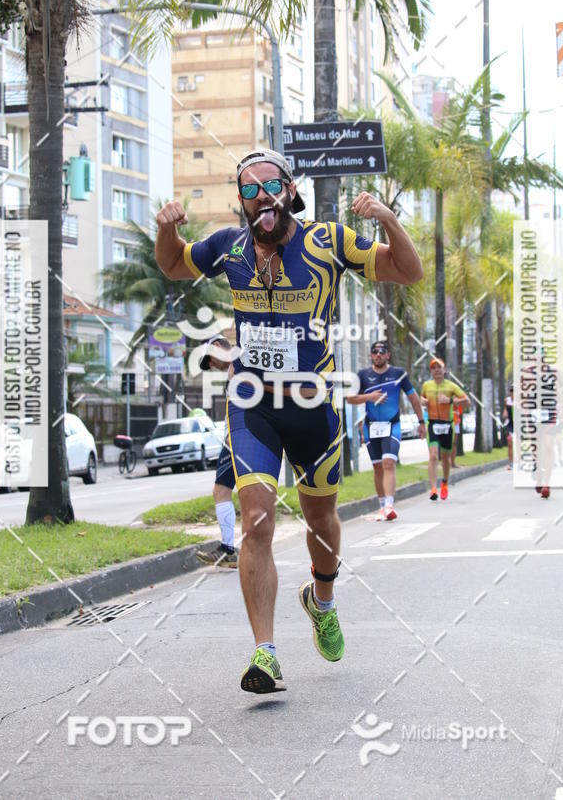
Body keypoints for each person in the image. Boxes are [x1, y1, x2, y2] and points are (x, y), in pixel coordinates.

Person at [155, 148, 423, 693]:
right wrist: (166, 230)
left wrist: (389, 221)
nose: (261, 198)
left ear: (289, 189)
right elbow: (173, 262)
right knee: (256, 519)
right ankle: (265, 654)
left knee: (321, 523)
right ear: (242, 202)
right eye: (249, 190)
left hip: (314, 407)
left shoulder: (327, 241)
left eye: (270, 186)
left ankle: (321, 599)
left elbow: (407, 270)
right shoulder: (229, 248)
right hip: (252, 404)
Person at [347, 341, 426, 521]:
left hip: (392, 425)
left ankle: (390, 505)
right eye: (375, 352)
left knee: (388, 463)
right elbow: (350, 398)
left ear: (388, 355)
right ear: (370, 355)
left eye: (382, 352)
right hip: (371, 427)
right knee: (377, 466)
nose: (378, 355)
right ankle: (382, 505)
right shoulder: (363, 375)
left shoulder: (398, 374)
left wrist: (422, 422)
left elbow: (413, 398)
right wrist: (369, 397)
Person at [195, 335, 239, 569]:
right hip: (239, 436)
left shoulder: (237, 365)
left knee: (221, 490)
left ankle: (228, 549)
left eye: (210, 359)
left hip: (238, 438)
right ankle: (232, 548)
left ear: (218, 347)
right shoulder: (241, 362)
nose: (212, 366)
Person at [420, 358, 470, 501]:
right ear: (431, 371)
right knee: (433, 455)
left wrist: (450, 401)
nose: (436, 370)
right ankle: (433, 488)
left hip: (447, 424)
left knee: (446, 458)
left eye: (439, 367)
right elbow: (421, 398)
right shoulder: (426, 385)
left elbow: (467, 402)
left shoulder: (451, 386)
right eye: (433, 368)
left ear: (444, 370)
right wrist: (422, 401)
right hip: (432, 424)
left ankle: (445, 483)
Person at [503, 385, 514, 470]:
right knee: (510, 443)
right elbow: (505, 411)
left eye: (513, 391)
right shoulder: (507, 400)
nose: (512, 392)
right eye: (511, 391)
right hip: (509, 425)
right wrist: (505, 413)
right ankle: (511, 463)